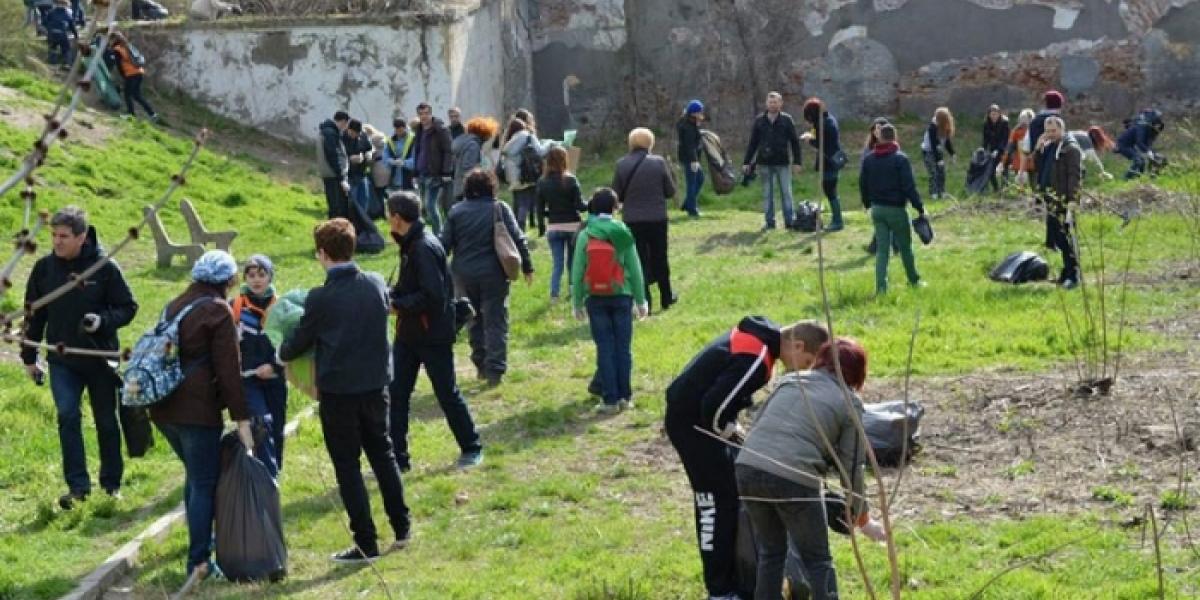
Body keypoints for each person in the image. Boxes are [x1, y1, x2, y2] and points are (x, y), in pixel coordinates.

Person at [665, 318, 831, 600]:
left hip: (704, 421)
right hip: (693, 426)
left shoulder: (766, 338)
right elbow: (713, 410)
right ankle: (719, 590)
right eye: (804, 363)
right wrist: (735, 433)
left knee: (732, 494)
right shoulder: (757, 357)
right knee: (714, 503)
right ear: (798, 345)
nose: (800, 372)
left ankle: (739, 578)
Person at [279, 219, 411, 563]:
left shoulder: (320, 298)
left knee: (348, 465)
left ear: (323, 254)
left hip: (339, 392)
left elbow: (298, 342)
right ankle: (402, 527)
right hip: (376, 384)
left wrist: (281, 352)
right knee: (383, 454)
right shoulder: (375, 282)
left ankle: (366, 543)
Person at [736, 338, 888, 600]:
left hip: (748, 467)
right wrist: (863, 520)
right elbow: (852, 466)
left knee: (771, 553)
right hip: (793, 478)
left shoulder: (789, 381)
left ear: (821, 359)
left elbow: (758, 424)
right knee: (818, 560)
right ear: (857, 373)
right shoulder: (849, 402)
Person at [22, 207, 138, 509]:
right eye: (53, 235)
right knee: (67, 415)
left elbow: (128, 307)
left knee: (106, 422)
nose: (57, 242)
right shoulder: (44, 269)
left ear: (81, 237)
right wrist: (29, 357)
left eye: (64, 236)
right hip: (62, 360)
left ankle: (111, 485)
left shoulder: (104, 267)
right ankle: (78, 487)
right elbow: (34, 314)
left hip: (99, 358)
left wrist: (103, 321)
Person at [150, 250, 253, 578]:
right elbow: (229, 370)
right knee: (204, 482)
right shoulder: (217, 310)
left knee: (196, 477)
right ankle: (199, 562)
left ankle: (200, 549)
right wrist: (242, 419)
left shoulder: (175, 304)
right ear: (230, 280)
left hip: (163, 406)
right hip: (196, 410)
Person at [385, 191, 484, 471]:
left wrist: (397, 306)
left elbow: (433, 296)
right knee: (397, 394)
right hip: (408, 334)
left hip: (432, 335)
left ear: (397, 218)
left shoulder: (423, 247)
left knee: (446, 394)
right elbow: (412, 286)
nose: (386, 220)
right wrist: (391, 294)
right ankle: (398, 459)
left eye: (388, 214)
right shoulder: (409, 243)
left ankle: (472, 448)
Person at [441, 169, 534, 387]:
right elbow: (517, 238)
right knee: (496, 320)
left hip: (463, 273)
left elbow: (444, 244)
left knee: (473, 319)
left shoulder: (456, 211)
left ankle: (481, 362)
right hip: (494, 273)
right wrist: (527, 267)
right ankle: (495, 369)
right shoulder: (499, 208)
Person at [570, 188, 648, 412]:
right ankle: (625, 397)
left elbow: (577, 270)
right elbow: (635, 268)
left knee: (604, 348)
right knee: (623, 348)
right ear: (615, 207)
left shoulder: (586, 234)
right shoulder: (622, 231)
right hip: (622, 294)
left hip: (595, 297)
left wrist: (577, 302)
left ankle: (609, 399)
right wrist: (641, 300)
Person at [231, 254, 287, 477]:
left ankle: (276, 469)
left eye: (262, 274)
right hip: (248, 379)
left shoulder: (281, 306)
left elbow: (292, 343)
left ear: (270, 276)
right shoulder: (236, 306)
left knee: (277, 425)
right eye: (251, 275)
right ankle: (266, 475)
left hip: (275, 377)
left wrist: (275, 366)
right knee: (261, 423)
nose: (256, 280)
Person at [613, 127, 678, 313]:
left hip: (633, 219)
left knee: (638, 259)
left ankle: (645, 299)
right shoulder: (659, 163)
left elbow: (617, 195)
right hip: (657, 217)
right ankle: (666, 296)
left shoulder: (621, 164)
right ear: (650, 143)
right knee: (660, 256)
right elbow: (670, 191)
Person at [861, 124, 926, 294]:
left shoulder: (869, 159)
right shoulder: (900, 159)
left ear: (879, 137)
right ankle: (913, 280)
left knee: (882, 250)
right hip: (896, 209)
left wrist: (867, 203)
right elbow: (909, 187)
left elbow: (863, 184)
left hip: (877, 209)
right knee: (905, 247)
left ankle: (881, 287)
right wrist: (919, 207)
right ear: (894, 137)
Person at [742, 92, 803, 231]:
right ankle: (770, 222)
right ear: (766, 104)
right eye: (770, 102)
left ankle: (789, 221)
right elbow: (753, 143)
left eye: (775, 102)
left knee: (786, 193)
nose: (773, 105)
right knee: (767, 194)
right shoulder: (759, 121)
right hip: (764, 163)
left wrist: (797, 162)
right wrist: (746, 162)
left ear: (780, 103)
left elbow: (794, 142)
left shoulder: (787, 120)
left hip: (782, 162)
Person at [1034, 116, 1082, 289]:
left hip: (1064, 202)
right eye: (1047, 131)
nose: (1050, 134)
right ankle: (1066, 272)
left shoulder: (1070, 149)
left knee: (1067, 239)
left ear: (1062, 129)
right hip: (1052, 200)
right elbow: (1040, 168)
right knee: (1057, 239)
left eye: (1054, 131)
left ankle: (1074, 276)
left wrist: (1072, 201)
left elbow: (1074, 177)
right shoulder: (1050, 147)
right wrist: (1038, 150)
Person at [536, 145, 587, 303]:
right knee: (572, 261)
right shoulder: (570, 180)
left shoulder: (542, 182)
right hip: (572, 226)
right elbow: (580, 206)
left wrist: (545, 221)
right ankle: (572, 289)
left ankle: (554, 294)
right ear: (565, 160)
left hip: (554, 226)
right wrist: (592, 203)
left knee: (557, 263)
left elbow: (539, 209)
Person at [800, 97, 845, 231]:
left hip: (829, 161)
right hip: (833, 158)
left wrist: (809, 140)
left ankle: (837, 221)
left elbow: (821, 143)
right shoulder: (828, 119)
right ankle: (836, 219)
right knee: (831, 190)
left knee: (830, 190)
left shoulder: (823, 124)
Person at [412, 102, 454, 235]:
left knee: (430, 206)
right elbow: (417, 152)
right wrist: (415, 173)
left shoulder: (440, 130)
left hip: (435, 173)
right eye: (421, 114)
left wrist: (446, 171)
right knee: (423, 207)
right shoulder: (419, 130)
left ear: (431, 114)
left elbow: (448, 151)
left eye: (426, 113)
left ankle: (438, 234)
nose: (424, 116)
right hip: (421, 173)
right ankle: (425, 233)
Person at [501, 117, 547, 232]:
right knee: (526, 203)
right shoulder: (528, 136)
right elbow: (540, 151)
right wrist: (550, 144)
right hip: (526, 175)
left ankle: (515, 229)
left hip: (512, 176)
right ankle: (523, 228)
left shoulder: (509, 141)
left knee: (518, 203)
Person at [105, 32, 158, 121]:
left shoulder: (117, 49)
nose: (109, 41)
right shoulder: (128, 45)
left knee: (127, 95)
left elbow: (119, 65)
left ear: (114, 39)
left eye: (110, 39)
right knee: (137, 95)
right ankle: (152, 114)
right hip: (139, 72)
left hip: (130, 74)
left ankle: (131, 114)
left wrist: (124, 76)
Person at [452, 116, 497, 202]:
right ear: (483, 133)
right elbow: (469, 167)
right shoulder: (473, 145)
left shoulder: (465, 142)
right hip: (468, 188)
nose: (488, 138)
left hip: (460, 185)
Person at [316, 111, 351, 219]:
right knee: (336, 207)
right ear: (343, 122)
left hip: (327, 172)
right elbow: (333, 155)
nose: (345, 128)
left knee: (333, 204)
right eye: (346, 124)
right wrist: (341, 178)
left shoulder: (326, 131)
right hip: (333, 173)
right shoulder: (331, 133)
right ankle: (334, 226)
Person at [1116, 108, 1165, 180]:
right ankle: (1125, 179)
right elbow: (1139, 142)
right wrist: (1148, 151)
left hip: (1130, 145)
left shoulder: (1149, 129)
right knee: (1138, 161)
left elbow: (1147, 144)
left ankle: (1139, 179)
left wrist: (1152, 153)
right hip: (1123, 145)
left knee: (1143, 162)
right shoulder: (1142, 126)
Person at [677, 99, 705, 218]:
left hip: (691, 157)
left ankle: (687, 204)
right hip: (690, 158)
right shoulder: (688, 126)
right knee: (692, 183)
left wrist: (697, 125)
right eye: (699, 112)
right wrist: (694, 160)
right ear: (694, 113)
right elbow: (690, 145)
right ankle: (692, 210)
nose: (701, 113)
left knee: (700, 179)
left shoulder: (690, 122)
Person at [920, 107, 956, 199]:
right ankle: (933, 193)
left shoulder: (945, 126)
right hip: (928, 152)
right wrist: (939, 159)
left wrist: (952, 153)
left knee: (941, 172)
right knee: (933, 172)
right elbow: (934, 145)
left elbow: (947, 142)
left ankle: (942, 191)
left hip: (938, 151)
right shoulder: (932, 128)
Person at [343, 119, 375, 217]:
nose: (356, 135)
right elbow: (337, 156)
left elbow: (370, 148)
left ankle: (362, 220)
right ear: (349, 130)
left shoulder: (363, 135)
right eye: (353, 133)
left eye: (358, 133)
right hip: (349, 175)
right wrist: (350, 159)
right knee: (352, 200)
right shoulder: (341, 138)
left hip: (362, 173)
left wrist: (369, 154)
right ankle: (351, 219)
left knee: (364, 199)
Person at [1025, 90, 1064, 163]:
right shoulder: (1057, 120)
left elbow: (1027, 144)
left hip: (1037, 158)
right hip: (1054, 159)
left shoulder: (1035, 120)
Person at [1002, 109, 1035, 187]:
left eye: (1025, 118)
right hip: (1019, 156)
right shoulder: (1016, 131)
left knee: (1032, 176)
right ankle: (1021, 190)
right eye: (1021, 118)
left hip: (1031, 156)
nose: (1023, 121)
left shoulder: (1034, 129)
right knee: (1019, 177)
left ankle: (1034, 190)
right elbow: (1011, 143)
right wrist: (1007, 155)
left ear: (1031, 119)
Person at [364, 123, 391, 218]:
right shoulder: (385, 141)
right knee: (387, 193)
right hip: (388, 170)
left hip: (377, 172)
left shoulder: (372, 143)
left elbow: (369, 160)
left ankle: (382, 212)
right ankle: (390, 212)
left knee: (379, 194)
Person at [382, 117, 416, 192]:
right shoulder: (390, 140)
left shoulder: (413, 139)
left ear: (405, 127)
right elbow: (384, 158)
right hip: (394, 181)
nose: (398, 132)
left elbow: (416, 159)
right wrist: (391, 161)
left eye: (400, 130)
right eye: (396, 129)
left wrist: (404, 163)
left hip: (409, 180)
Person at [982, 104, 1011, 192]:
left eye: (996, 114)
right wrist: (983, 149)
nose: (994, 116)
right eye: (992, 114)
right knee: (990, 170)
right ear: (989, 115)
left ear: (999, 114)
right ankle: (996, 189)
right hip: (992, 150)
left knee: (1004, 169)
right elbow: (985, 139)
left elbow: (1005, 138)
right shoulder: (986, 124)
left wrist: (998, 150)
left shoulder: (1004, 123)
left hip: (1003, 149)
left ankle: (1005, 188)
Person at [42, 0, 76, 68]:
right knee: (66, 49)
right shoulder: (67, 14)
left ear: (56, 4)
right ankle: (67, 63)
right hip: (62, 35)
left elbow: (44, 22)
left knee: (52, 47)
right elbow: (72, 26)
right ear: (66, 5)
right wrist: (76, 35)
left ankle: (52, 62)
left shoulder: (51, 12)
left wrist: (49, 29)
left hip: (52, 34)